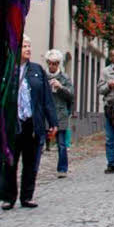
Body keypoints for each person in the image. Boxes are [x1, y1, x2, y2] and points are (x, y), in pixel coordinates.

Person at [4, 36, 58, 209]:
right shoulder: (6, 69)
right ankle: (9, 197)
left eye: (29, 46)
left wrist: (53, 122)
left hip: (32, 123)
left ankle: (27, 196)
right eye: (24, 46)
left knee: (31, 162)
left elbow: (46, 98)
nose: (28, 49)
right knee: (10, 162)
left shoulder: (37, 70)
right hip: (12, 123)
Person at [45, 50, 75, 178]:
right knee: (39, 142)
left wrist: (60, 87)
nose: (52, 66)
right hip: (46, 113)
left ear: (59, 64)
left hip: (61, 113)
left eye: (55, 63)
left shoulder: (65, 78)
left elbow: (71, 96)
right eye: (50, 63)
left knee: (61, 144)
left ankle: (62, 169)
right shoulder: (42, 76)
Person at [97, 48, 114, 174]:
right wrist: (109, 85)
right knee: (109, 138)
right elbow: (99, 89)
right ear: (111, 58)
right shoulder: (105, 71)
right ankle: (111, 163)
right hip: (110, 107)